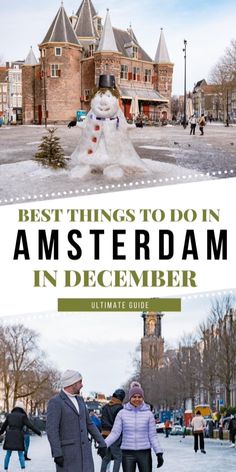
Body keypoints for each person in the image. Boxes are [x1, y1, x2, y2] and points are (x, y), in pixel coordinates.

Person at [46, 369, 107, 472]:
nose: (82, 385)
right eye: (80, 382)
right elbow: (52, 429)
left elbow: (89, 424)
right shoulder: (56, 402)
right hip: (67, 455)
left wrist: (101, 442)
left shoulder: (80, 400)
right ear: (72, 383)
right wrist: (57, 453)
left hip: (85, 455)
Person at [102, 381, 164, 471]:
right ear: (130, 398)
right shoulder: (122, 413)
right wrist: (104, 444)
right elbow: (115, 433)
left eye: (139, 397)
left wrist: (158, 452)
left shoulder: (148, 414)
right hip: (127, 453)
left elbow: (152, 436)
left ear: (142, 398)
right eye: (134, 397)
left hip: (144, 452)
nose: (137, 399)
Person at [0, 401, 41, 470]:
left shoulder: (9, 415)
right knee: (20, 454)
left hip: (10, 436)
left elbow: (4, 426)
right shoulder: (23, 416)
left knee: (8, 454)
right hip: (19, 436)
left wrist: (0, 432)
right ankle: (23, 469)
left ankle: (5, 469)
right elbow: (30, 426)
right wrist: (38, 432)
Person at [100, 388, 125, 472]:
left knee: (106, 457)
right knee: (118, 457)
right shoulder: (120, 408)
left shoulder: (104, 407)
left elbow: (102, 421)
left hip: (104, 435)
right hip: (114, 436)